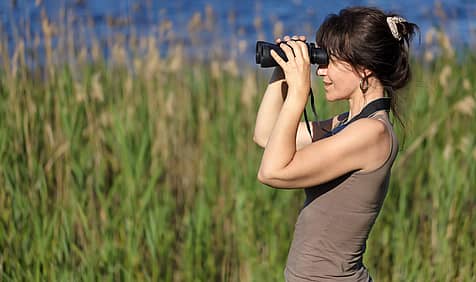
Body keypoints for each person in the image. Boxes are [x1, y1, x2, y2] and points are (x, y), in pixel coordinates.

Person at [253, 6, 418, 282]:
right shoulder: (347, 124)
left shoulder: (371, 133)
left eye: (330, 61)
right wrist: (281, 71)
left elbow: (272, 172)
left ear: (364, 69)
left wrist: (298, 93)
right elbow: (265, 136)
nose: (320, 71)